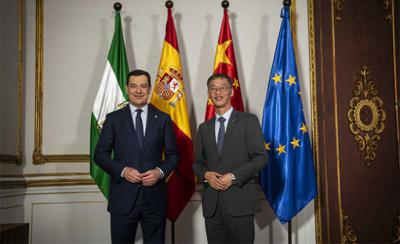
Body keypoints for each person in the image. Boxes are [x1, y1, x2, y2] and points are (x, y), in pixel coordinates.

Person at [94, 69, 179, 244]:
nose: (138, 91)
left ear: (149, 89)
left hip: (154, 199)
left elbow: (173, 156)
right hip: (123, 198)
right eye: (133, 86)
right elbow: (100, 155)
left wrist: (159, 172)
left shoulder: (163, 119)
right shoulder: (113, 119)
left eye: (143, 86)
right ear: (127, 88)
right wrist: (123, 171)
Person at [193, 73, 268, 244]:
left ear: (231, 92)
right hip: (213, 205)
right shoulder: (204, 128)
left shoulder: (248, 121)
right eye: (213, 89)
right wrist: (206, 175)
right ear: (209, 94)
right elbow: (197, 163)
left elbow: (261, 158)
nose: (217, 92)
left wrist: (233, 176)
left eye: (222, 88)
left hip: (240, 202)